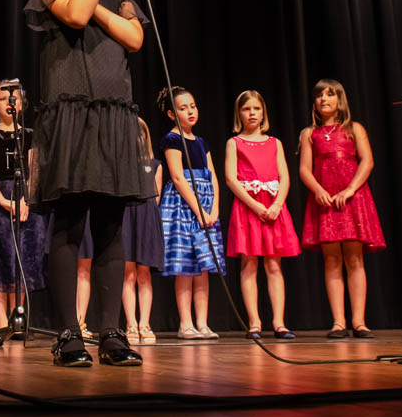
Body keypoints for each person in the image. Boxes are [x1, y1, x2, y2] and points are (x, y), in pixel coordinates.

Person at [24, 0, 149, 367]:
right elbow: (75, 15)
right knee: (70, 225)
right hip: (70, 117)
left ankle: (112, 331)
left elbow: (134, 38)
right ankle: (68, 334)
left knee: (111, 229)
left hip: (113, 117)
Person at [299, 78, 386, 339]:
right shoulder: (309, 134)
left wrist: (350, 190)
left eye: (330, 95)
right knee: (332, 260)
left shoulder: (353, 129)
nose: (324, 99)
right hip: (325, 199)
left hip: (352, 199)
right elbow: (304, 169)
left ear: (340, 100)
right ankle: (339, 322)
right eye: (320, 96)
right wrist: (318, 191)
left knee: (355, 258)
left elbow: (367, 162)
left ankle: (359, 321)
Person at [224, 89, 300, 340]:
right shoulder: (234, 143)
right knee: (248, 263)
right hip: (249, 207)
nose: (252, 113)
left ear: (263, 111)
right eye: (247, 109)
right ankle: (254, 323)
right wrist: (254, 206)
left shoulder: (274, 143)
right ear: (240, 113)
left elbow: (285, 176)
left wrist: (277, 204)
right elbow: (231, 179)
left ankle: (279, 322)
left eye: (256, 108)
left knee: (274, 264)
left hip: (273, 207)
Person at [0, 80, 48, 331]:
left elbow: (33, 171)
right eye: (3, 99)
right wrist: (4, 200)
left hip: (24, 199)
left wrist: (25, 199)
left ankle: (19, 314)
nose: (9, 103)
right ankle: (1, 319)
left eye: (13, 99)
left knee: (23, 257)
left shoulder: (28, 135)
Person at [157, 86, 225, 340]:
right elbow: (176, 176)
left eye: (192, 106)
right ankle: (185, 323)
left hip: (205, 206)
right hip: (183, 206)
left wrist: (214, 207)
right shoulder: (172, 140)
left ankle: (202, 322)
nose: (190, 111)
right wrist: (198, 210)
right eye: (183, 108)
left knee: (203, 267)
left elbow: (213, 176)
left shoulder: (202, 142)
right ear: (172, 114)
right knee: (186, 267)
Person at [121, 119, 163, 345]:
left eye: (140, 134)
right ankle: (131, 324)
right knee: (128, 272)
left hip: (146, 219)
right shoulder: (120, 164)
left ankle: (145, 323)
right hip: (127, 216)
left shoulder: (155, 164)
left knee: (144, 273)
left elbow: (156, 199)